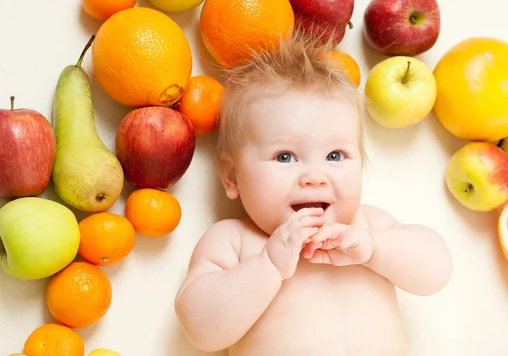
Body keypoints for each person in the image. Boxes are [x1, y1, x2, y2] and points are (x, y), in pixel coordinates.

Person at [174, 30, 453, 356]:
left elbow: (436, 272)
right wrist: (269, 265)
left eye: (335, 156)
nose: (314, 177)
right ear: (231, 176)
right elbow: (200, 329)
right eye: (285, 157)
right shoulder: (234, 241)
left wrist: (375, 249)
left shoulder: (369, 227)